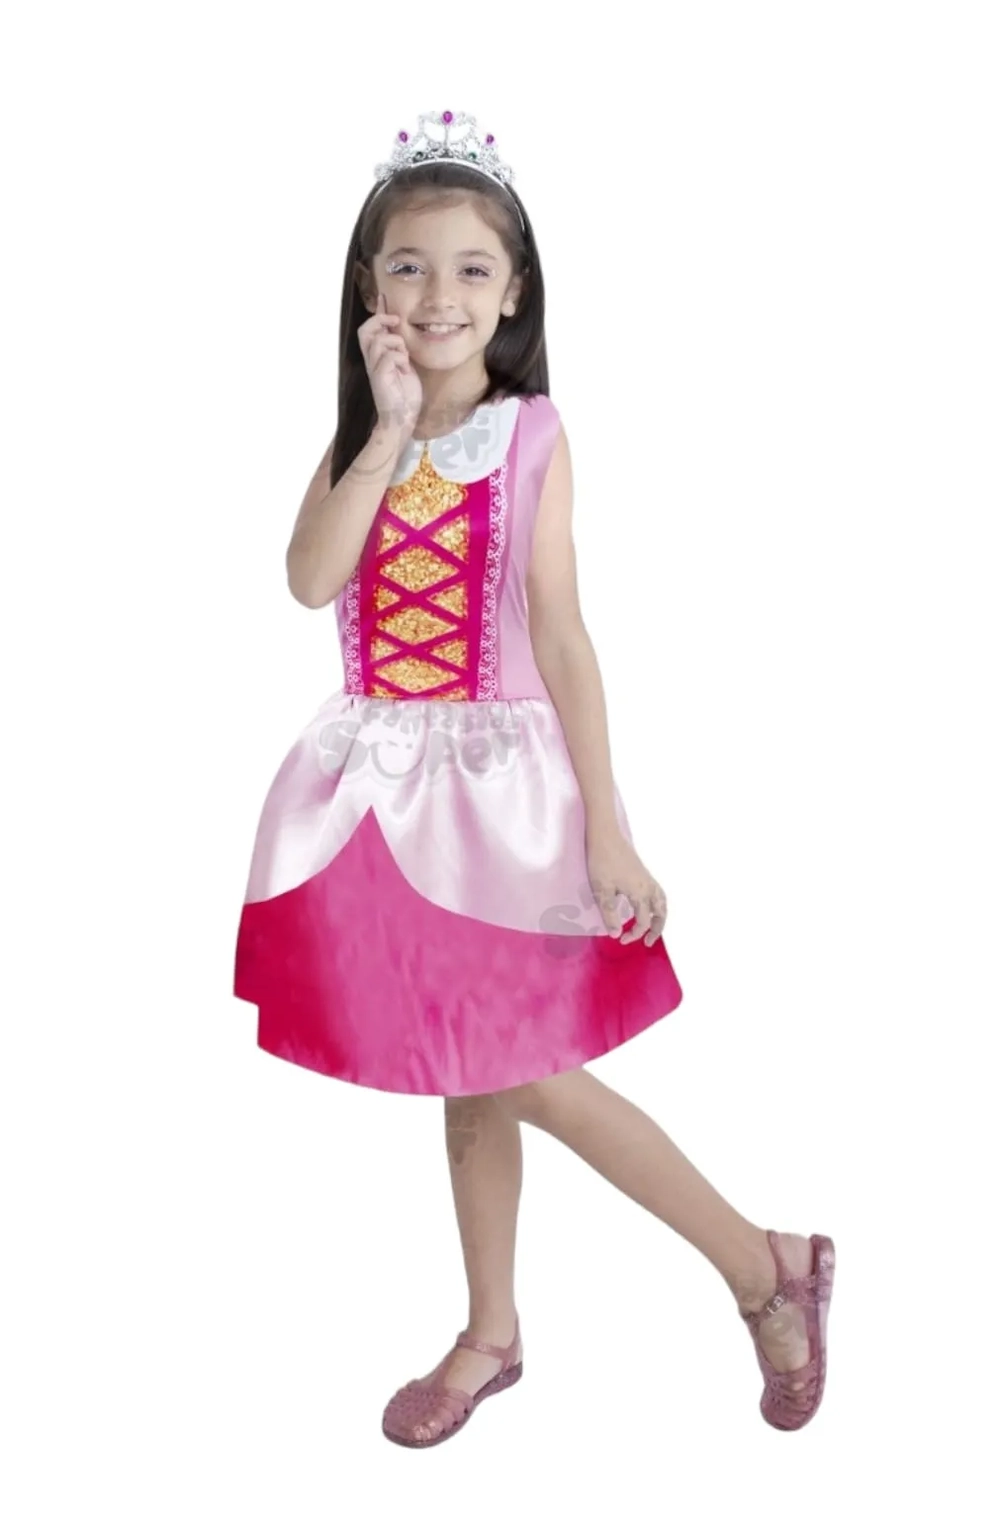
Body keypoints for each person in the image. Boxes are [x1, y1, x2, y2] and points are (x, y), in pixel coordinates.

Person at [233, 109, 835, 1448]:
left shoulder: (532, 437)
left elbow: (561, 633)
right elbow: (311, 580)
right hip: (382, 804)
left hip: (504, 807)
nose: (437, 294)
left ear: (513, 295)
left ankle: (762, 1265)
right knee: (466, 1074)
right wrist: (384, 432)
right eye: (407, 265)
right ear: (368, 286)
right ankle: (493, 1328)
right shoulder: (355, 446)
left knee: (522, 1073)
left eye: (470, 268)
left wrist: (609, 829)